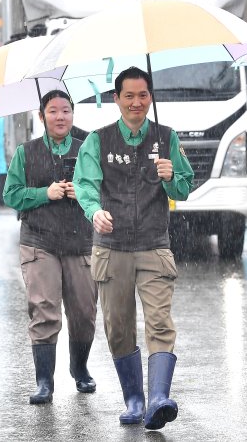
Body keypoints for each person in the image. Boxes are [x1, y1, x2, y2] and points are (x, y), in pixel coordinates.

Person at [73, 67, 194, 430]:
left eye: (143, 95)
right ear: (117, 99)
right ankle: (134, 399)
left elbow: (184, 189)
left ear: (150, 98)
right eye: (129, 96)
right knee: (119, 326)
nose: (137, 103)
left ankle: (158, 398)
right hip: (111, 249)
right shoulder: (98, 141)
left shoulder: (167, 138)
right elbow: (85, 185)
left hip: (155, 246)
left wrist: (172, 176)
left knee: (159, 322)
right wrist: (95, 213)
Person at [3, 90, 98, 405]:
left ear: (73, 115)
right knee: (44, 310)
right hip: (39, 241)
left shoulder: (89, 148)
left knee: (84, 312)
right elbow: (12, 194)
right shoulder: (26, 152)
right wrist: (46, 193)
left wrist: (81, 192)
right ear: (41, 116)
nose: (61, 117)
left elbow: (106, 190)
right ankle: (45, 382)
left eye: (66, 111)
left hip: (81, 241)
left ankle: (79, 367)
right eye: (53, 111)